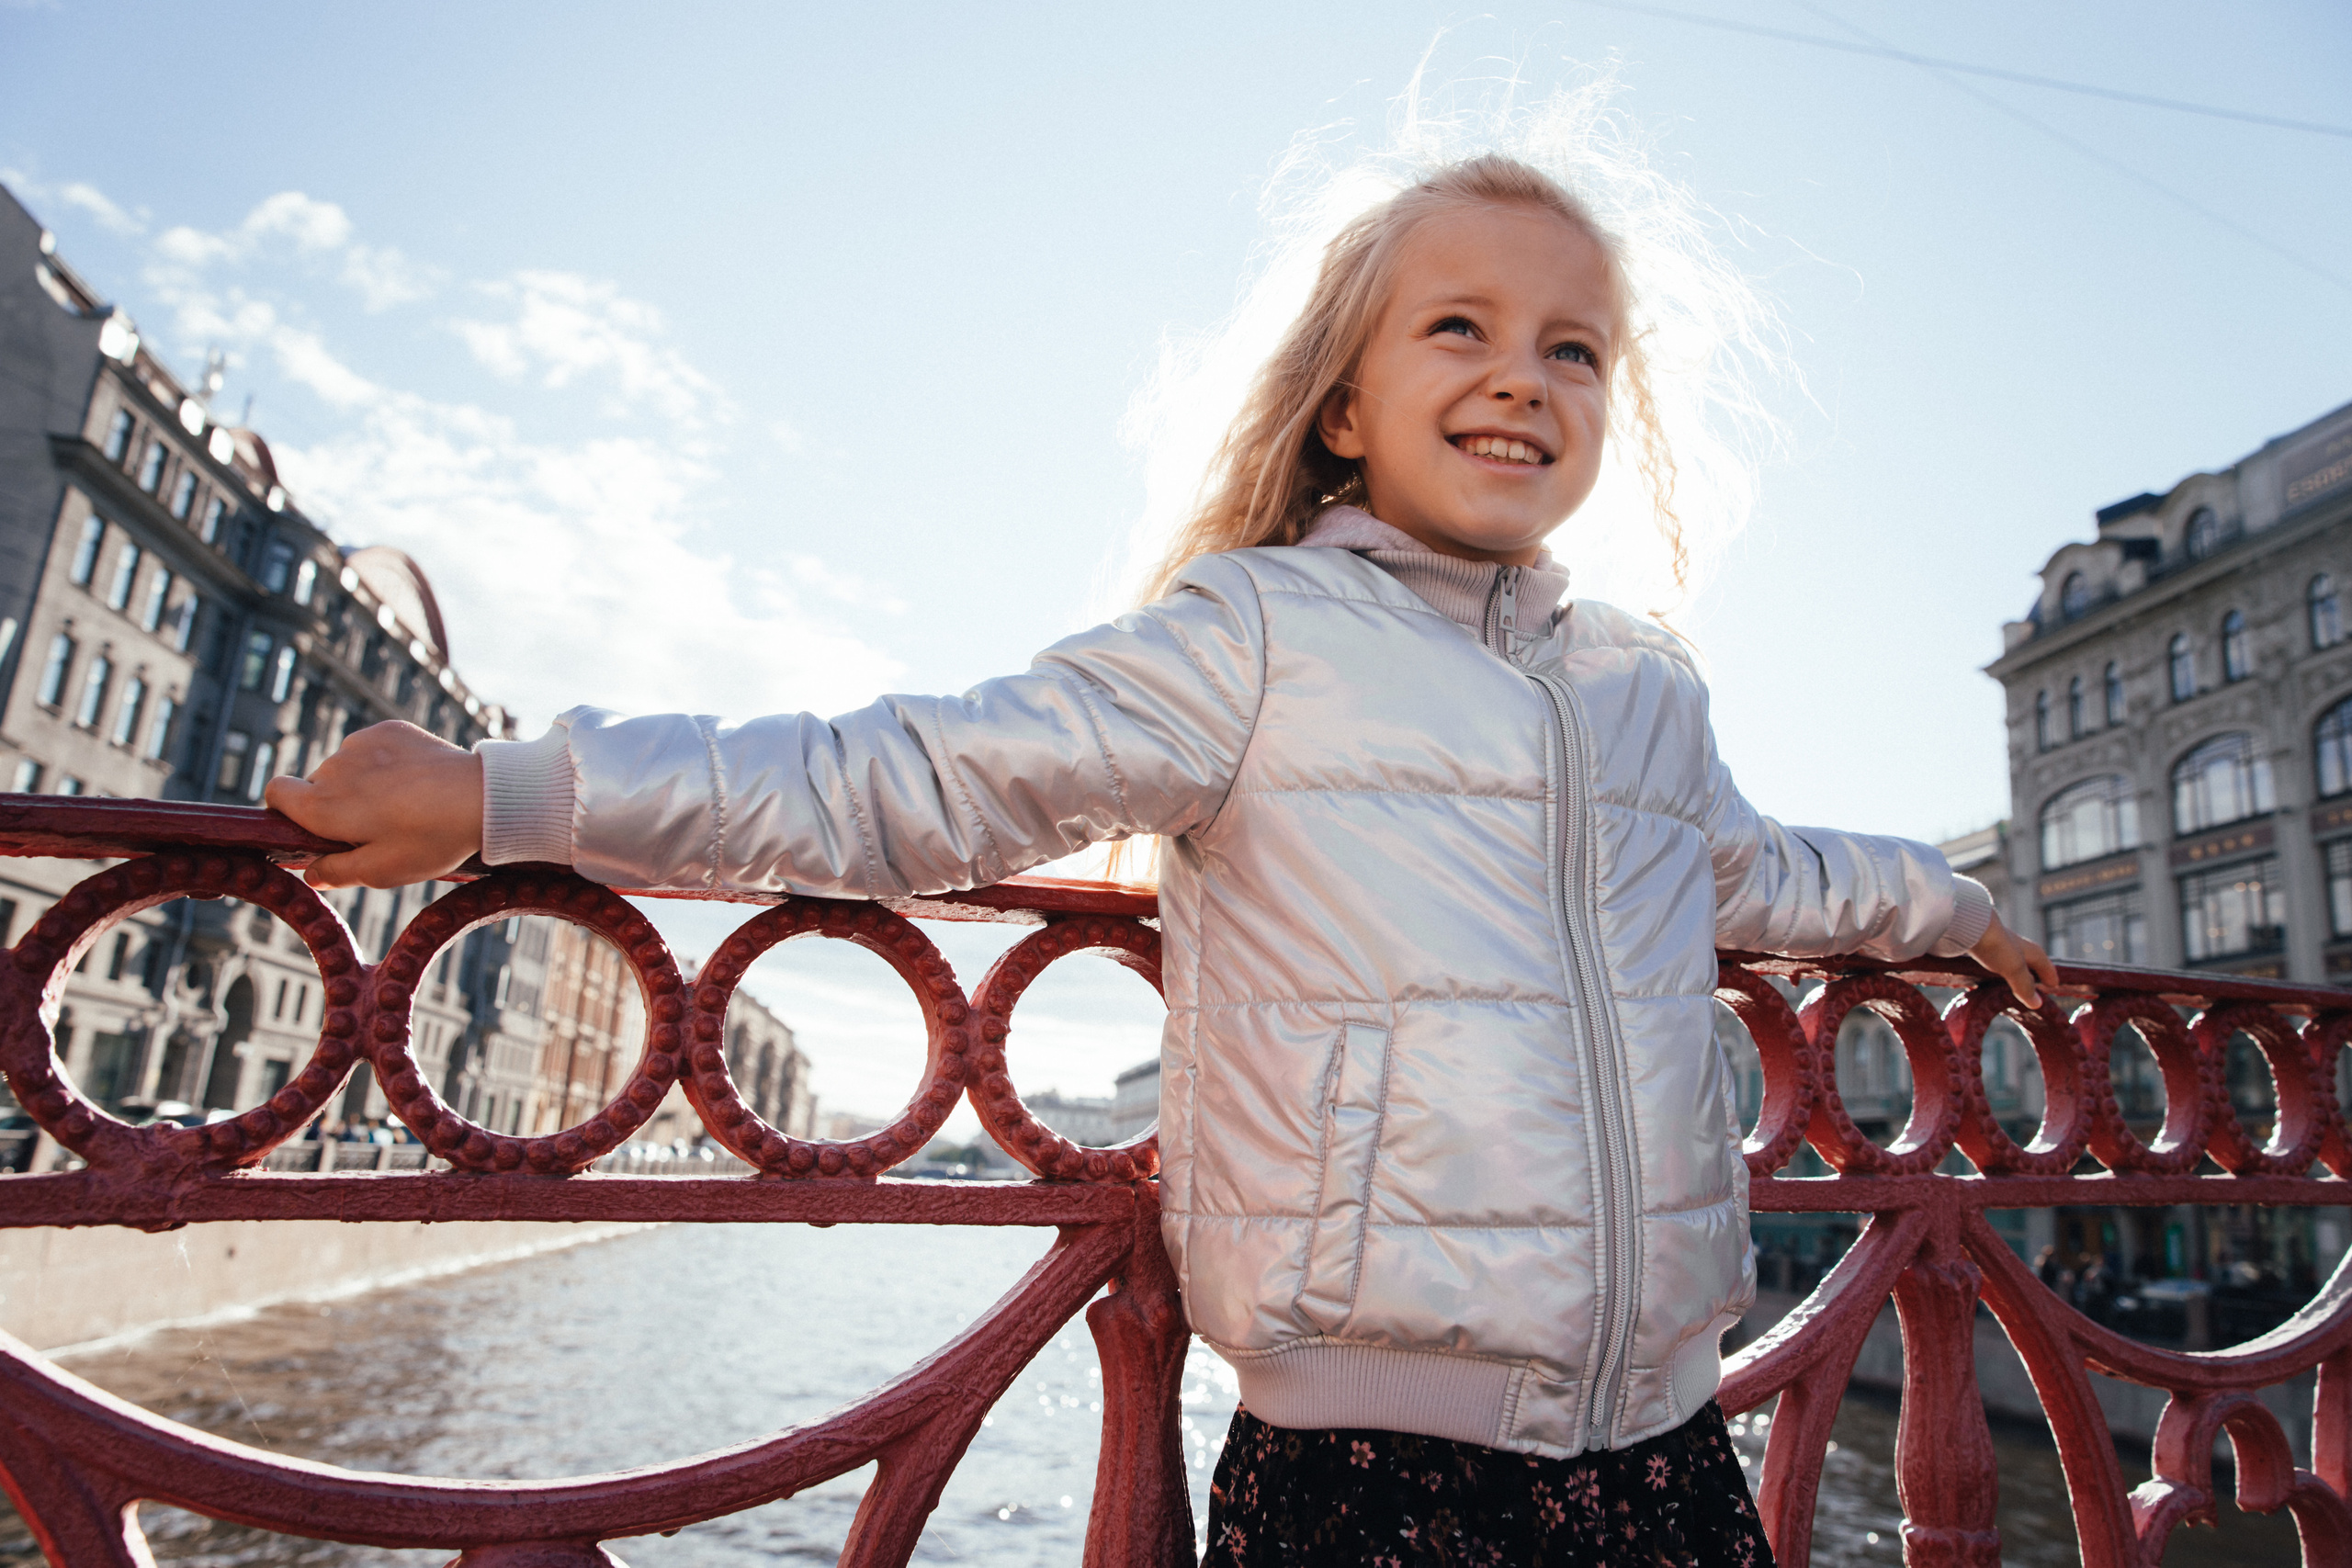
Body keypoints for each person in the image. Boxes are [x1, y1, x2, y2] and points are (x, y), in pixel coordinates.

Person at [267, 152, 2052, 1564]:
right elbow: (893, 785)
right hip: (1370, 1455)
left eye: (1569, 345)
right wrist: (506, 790)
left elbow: (1749, 871)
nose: (1520, 373)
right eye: (1459, 327)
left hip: (1661, 1444)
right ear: (1341, 404)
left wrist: (1953, 904)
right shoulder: (1253, 633)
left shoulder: (1640, 679)